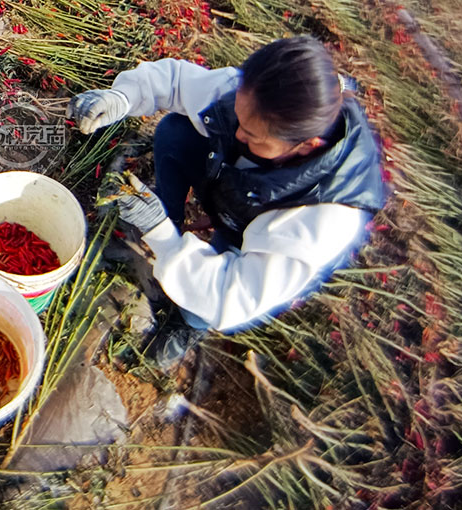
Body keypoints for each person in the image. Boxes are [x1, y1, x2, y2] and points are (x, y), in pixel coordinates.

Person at [68, 36, 386, 366]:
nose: (239, 135)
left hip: (258, 230)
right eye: (240, 116)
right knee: (178, 129)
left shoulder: (324, 219)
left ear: (307, 145)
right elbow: (178, 83)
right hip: (236, 188)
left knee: (207, 291)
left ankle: (189, 324)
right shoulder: (263, 96)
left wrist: (159, 233)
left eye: (252, 135)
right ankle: (167, 219)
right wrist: (122, 97)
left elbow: (230, 295)